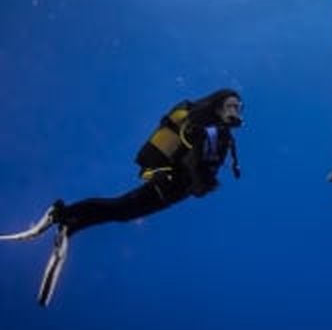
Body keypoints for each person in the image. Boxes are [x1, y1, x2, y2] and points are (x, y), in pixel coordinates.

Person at [0, 88, 244, 307]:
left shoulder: (214, 133)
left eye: (238, 107)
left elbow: (196, 165)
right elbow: (194, 165)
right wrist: (201, 183)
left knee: (120, 211)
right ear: (218, 107)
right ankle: (61, 213)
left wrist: (200, 181)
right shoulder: (210, 133)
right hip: (167, 186)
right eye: (231, 105)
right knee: (119, 208)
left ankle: (71, 224)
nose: (236, 110)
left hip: (169, 188)